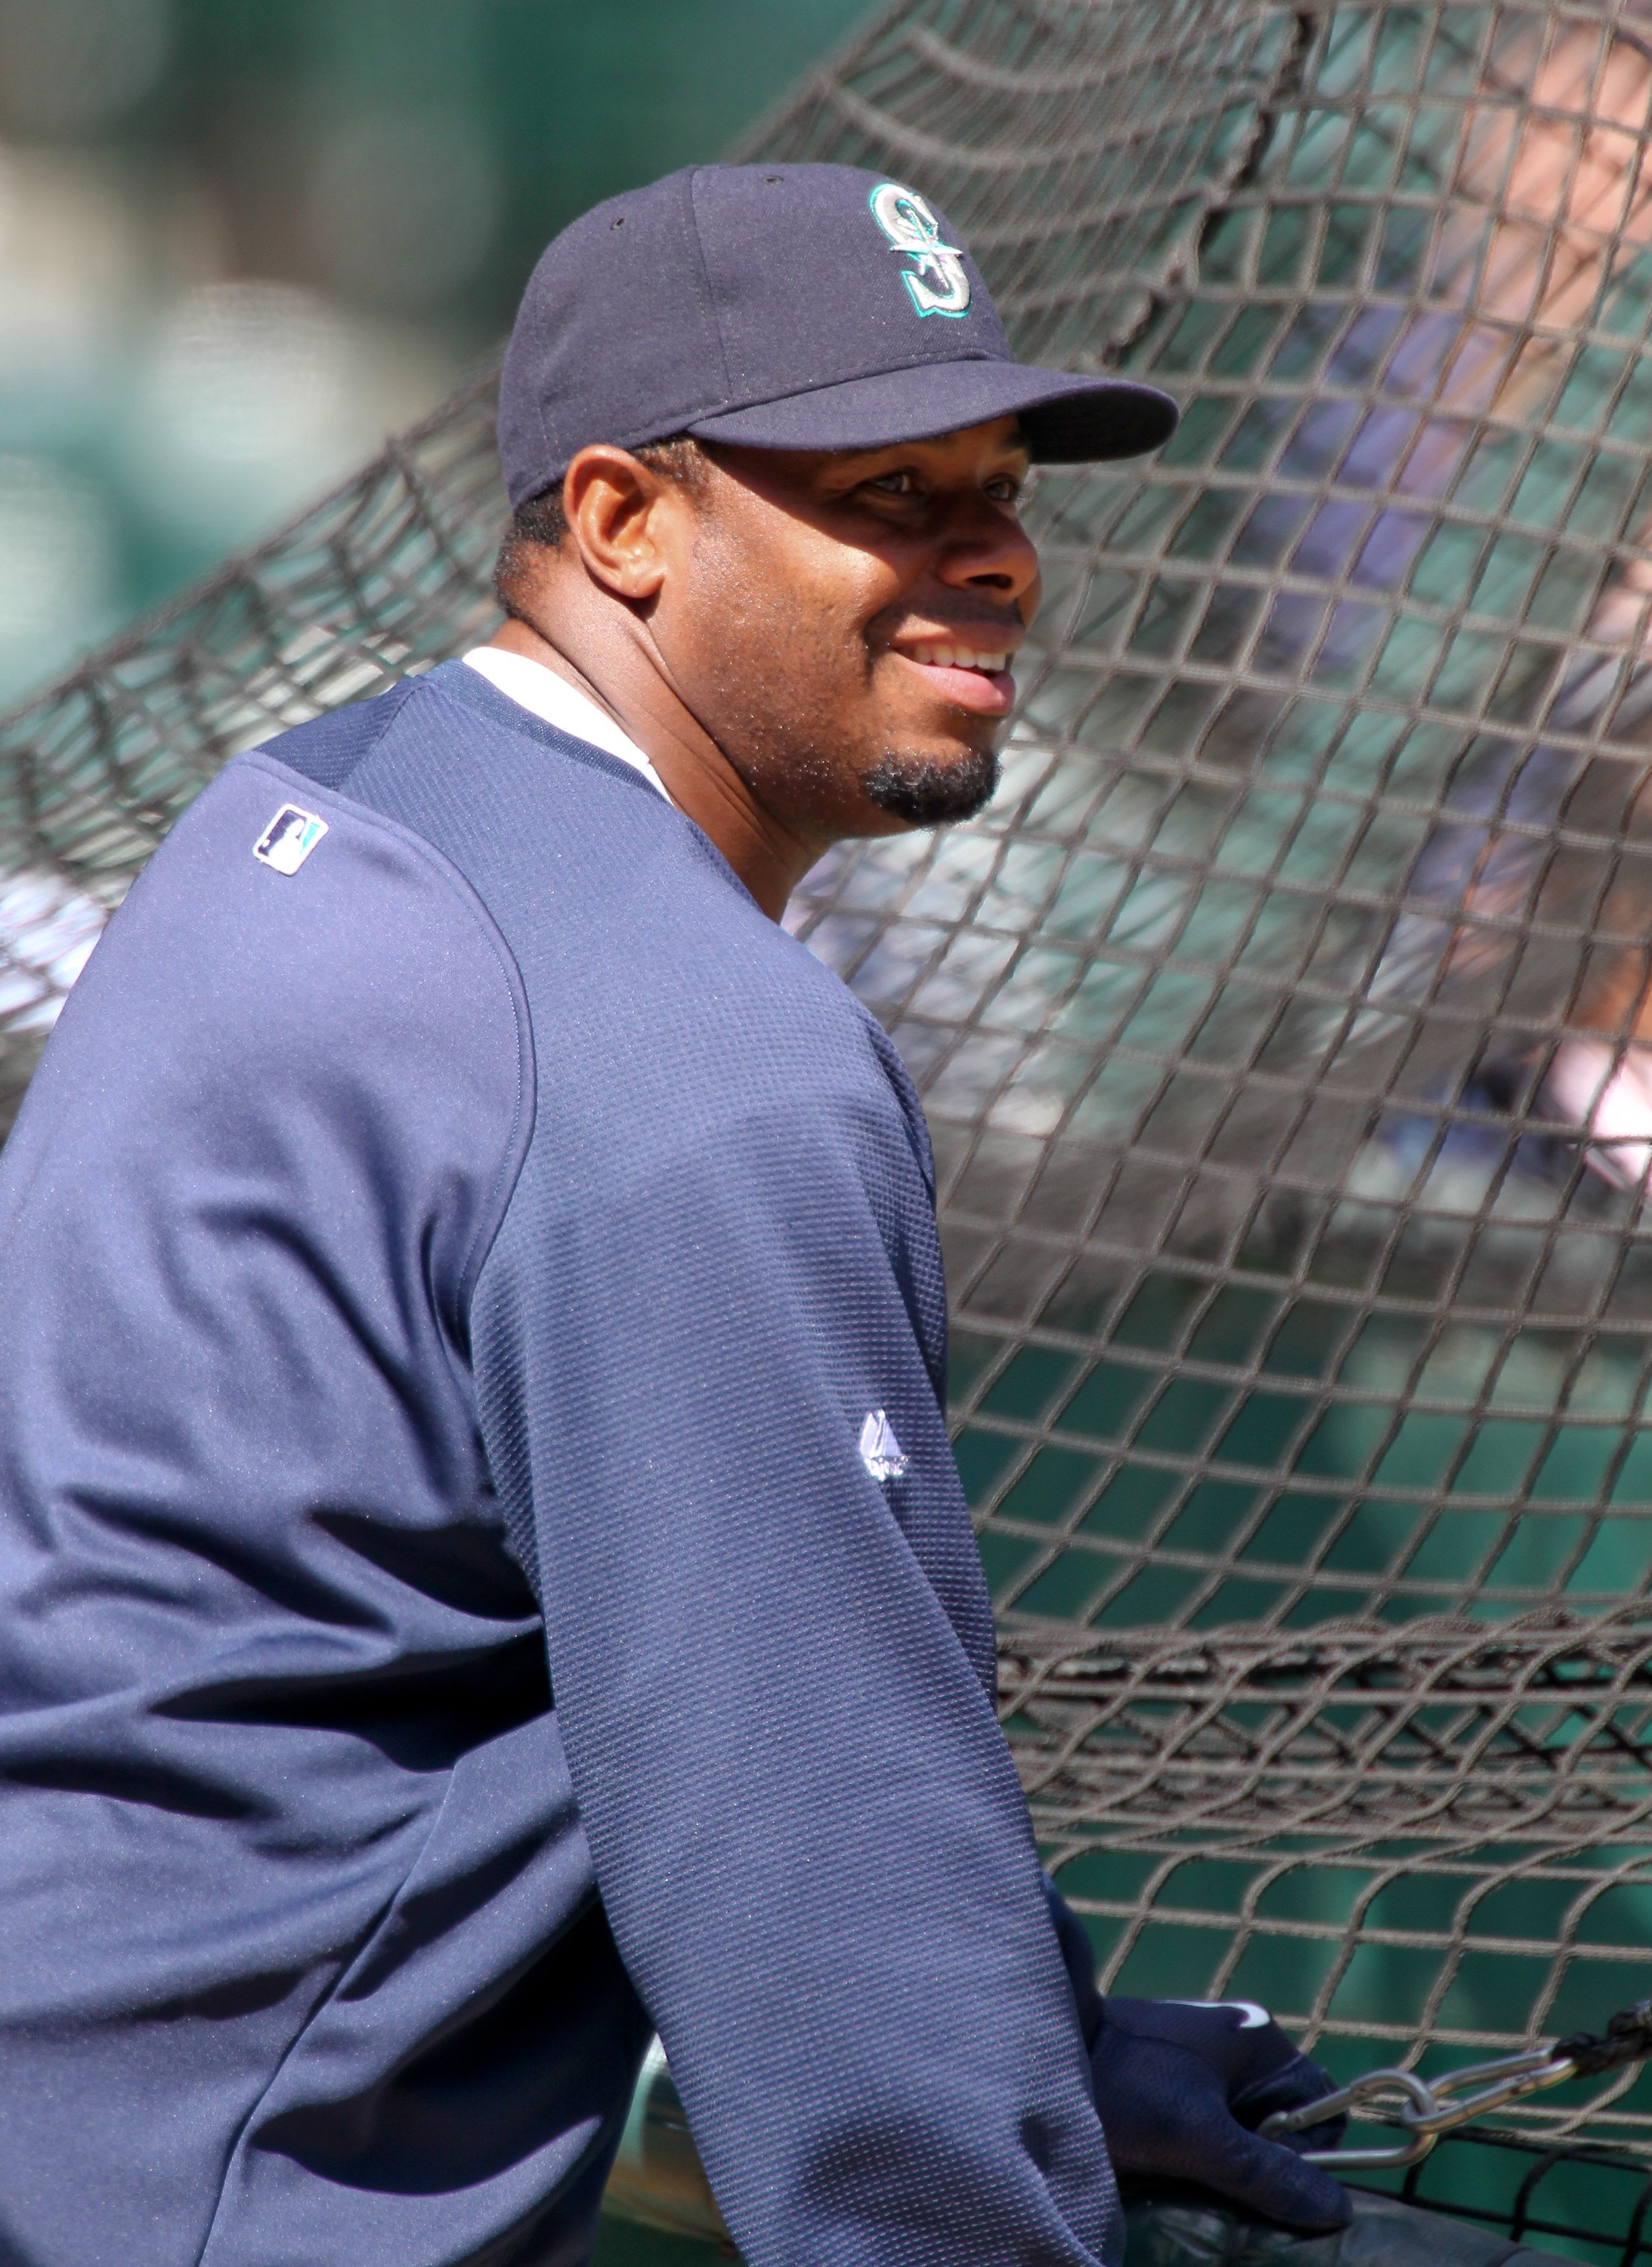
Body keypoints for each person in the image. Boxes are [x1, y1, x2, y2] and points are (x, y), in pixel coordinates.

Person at [0, 163, 1350, 2267]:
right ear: (621, 521)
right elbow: (826, 1869)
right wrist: (983, 2153)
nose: (988, 554)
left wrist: (1045, 2038)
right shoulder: (692, 1055)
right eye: (887, 491)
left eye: (997, 486)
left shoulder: (315, 794)